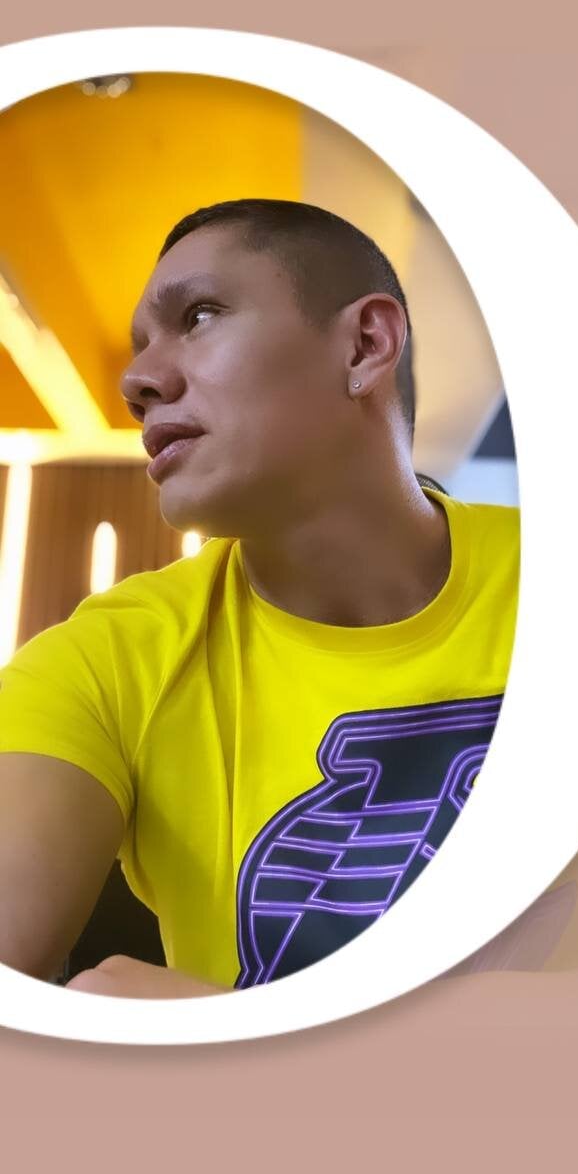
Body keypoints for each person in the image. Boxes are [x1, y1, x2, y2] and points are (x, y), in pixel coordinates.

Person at [0, 199, 519, 998]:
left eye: (198, 316)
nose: (136, 382)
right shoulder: (104, 661)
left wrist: (245, 1039)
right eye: (140, 346)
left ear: (364, 345)